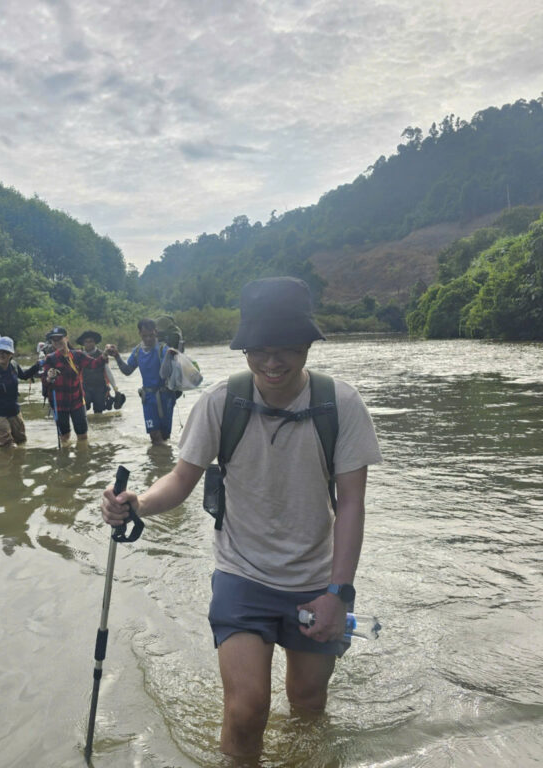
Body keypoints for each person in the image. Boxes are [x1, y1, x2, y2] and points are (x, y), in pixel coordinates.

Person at [100, 277, 382, 758]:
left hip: (315, 578)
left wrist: (339, 593)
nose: (273, 363)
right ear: (245, 348)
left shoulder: (341, 405)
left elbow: (352, 503)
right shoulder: (220, 403)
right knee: (247, 709)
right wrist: (138, 503)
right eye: (259, 349)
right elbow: (181, 478)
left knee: (308, 703)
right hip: (241, 573)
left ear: (308, 345)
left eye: (287, 348)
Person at [106, 319, 177, 445]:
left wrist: (172, 357)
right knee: (154, 436)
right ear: (140, 334)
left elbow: (169, 373)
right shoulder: (138, 351)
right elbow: (127, 370)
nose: (148, 339)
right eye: (145, 336)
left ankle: (162, 462)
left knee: (165, 436)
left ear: (155, 332)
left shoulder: (163, 349)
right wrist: (117, 356)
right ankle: (158, 461)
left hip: (165, 396)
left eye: (151, 335)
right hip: (148, 397)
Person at [42, 326, 109, 444]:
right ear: (52, 342)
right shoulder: (50, 359)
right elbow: (44, 380)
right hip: (59, 403)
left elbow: (94, 364)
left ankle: (82, 459)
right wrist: (49, 377)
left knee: (82, 436)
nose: (57, 342)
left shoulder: (78, 355)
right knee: (64, 437)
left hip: (77, 401)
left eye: (60, 339)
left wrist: (104, 355)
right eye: (54, 340)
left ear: (66, 338)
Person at [76, 330, 119, 413]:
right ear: (83, 343)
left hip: (100, 387)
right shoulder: (80, 355)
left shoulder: (102, 354)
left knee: (99, 413)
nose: (88, 344)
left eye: (91, 341)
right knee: (83, 409)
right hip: (85, 387)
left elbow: (108, 371)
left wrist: (115, 388)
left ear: (95, 342)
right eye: (86, 342)